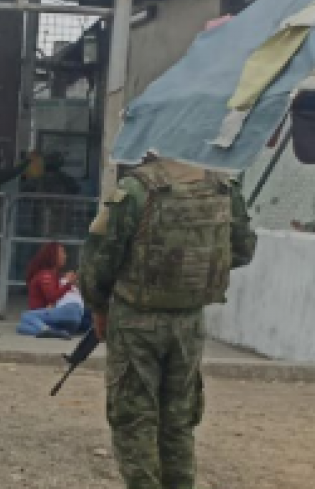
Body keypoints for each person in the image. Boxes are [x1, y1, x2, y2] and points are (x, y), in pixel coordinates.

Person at [79, 155, 256, 489]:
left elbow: (101, 259)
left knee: (134, 418)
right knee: (178, 420)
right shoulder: (222, 186)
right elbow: (243, 249)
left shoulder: (134, 189)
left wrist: (98, 306)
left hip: (136, 321)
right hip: (189, 322)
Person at [17, 280, 85, 339]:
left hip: (67, 309)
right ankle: (55, 333)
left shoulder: (61, 282)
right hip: (75, 322)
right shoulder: (77, 290)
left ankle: (45, 330)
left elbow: (50, 305)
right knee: (21, 327)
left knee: (27, 315)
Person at [25, 241, 76, 310]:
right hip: (39, 314)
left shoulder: (55, 274)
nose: (65, 256)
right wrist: (68, 284)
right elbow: (52, 296)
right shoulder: (45, 274)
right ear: (53, 255)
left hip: (48, 313)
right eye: (62, 252)